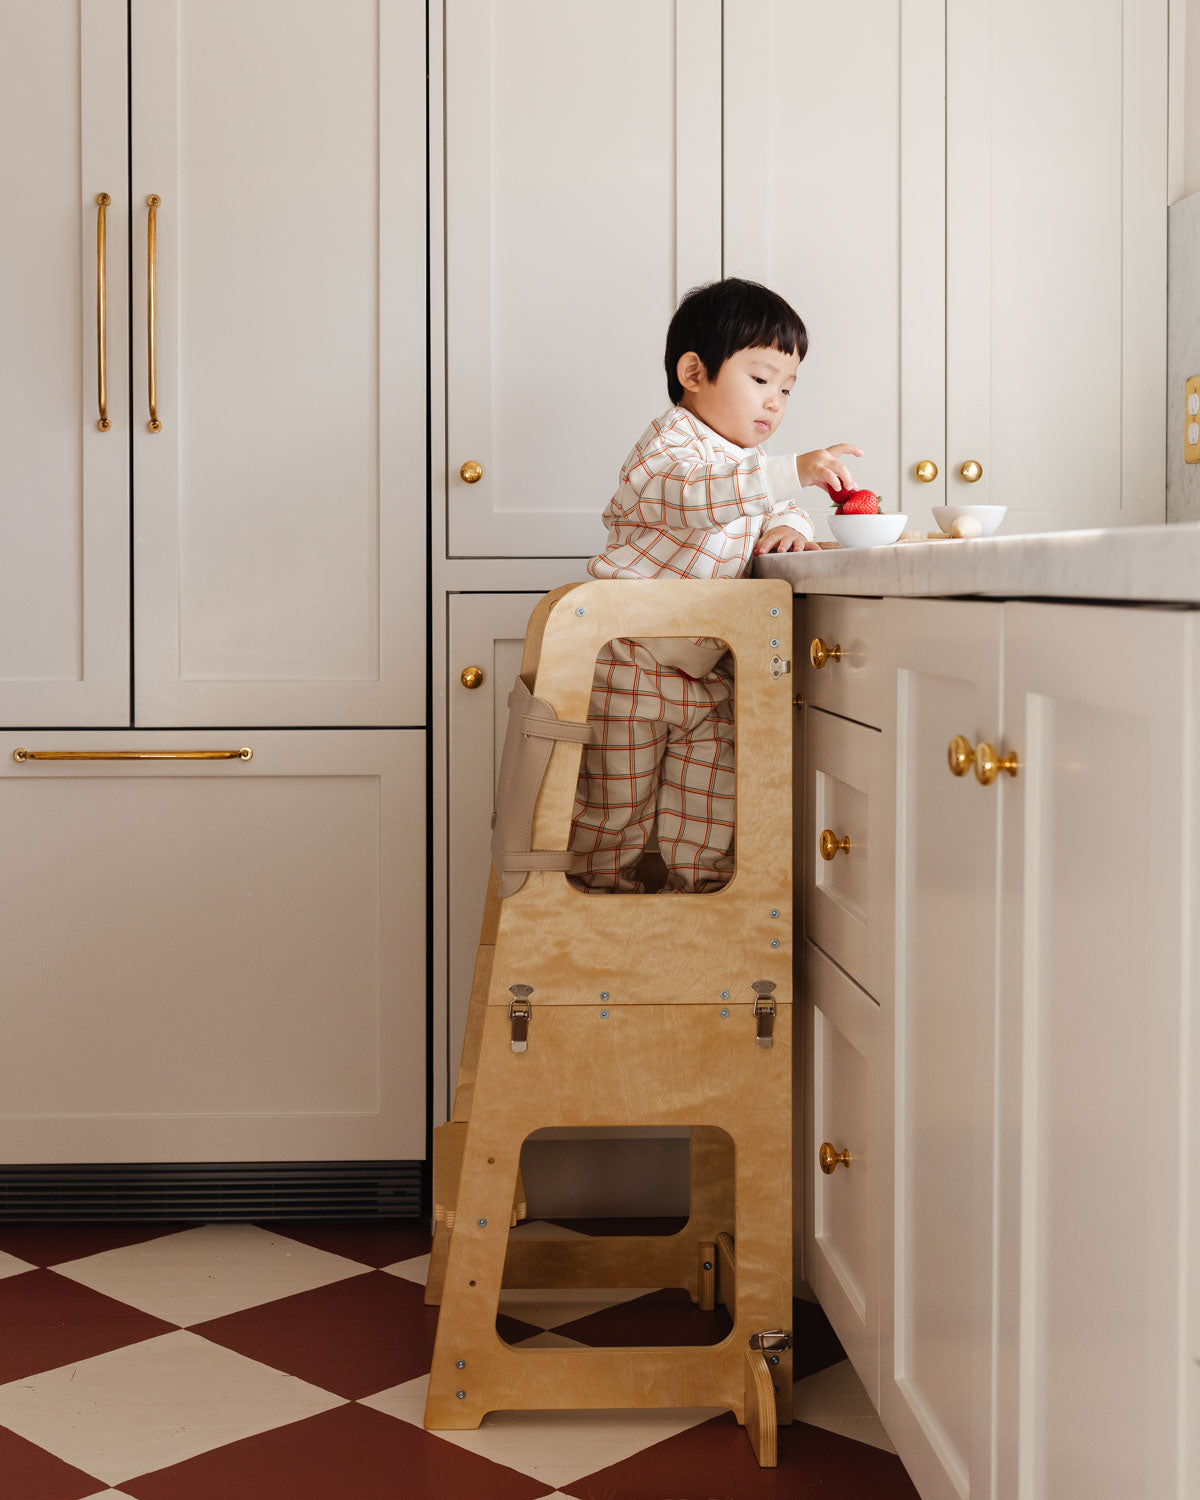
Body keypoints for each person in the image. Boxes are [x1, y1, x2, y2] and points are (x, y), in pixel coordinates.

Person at [568, 276, 862, 894]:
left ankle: (700, 918)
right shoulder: (669, 444)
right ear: (694, 372)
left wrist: (786, 521)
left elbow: (765, 505)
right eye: (760, 380)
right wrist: (790, 475)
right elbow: (694, 500)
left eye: (786, 388)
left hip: (706, 673)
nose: (775, 402)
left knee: (708, 815)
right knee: (613, 811)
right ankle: (594, 919)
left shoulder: (746, 467)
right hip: (631, 662)